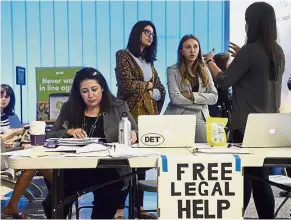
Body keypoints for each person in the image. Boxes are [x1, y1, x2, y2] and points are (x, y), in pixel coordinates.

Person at [204, 2, 285, 219]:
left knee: (253, 179)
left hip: (246, 126)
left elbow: (224, 81)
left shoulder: (250, 51)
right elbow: (257, 77)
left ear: (253, 23)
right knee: (255, 176)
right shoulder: (277, 52)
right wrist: (241, 57)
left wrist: (210, 62)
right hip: (268, 125)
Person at [42, 67, 138, 219]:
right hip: (77, 168)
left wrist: (134, 134)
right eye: (85, 91)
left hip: (110, 169)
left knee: (105, 203)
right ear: (78, 92)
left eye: (94, 89)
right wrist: (68, 132)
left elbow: (136, 130)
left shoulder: (118, 106)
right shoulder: (69, 108)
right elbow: (50, 135)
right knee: (52, 204)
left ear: (102, 88)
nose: (91, 95)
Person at [115, 20, 166, 218]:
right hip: (129, 112)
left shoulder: (149, 61)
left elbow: (160, 89)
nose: (150, 36)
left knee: (143, 163)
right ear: (137, 33)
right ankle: (120, 207)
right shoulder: (123, 55)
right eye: (146, 32)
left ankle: (138, 206)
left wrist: (151, 91)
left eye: (152, 34)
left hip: (149, 114)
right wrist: (148, 87)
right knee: (126, 162)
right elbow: (126, 85)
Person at [1, 84, 53, 219]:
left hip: (12, 151)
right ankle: (68, 191)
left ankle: (63, 192)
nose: (4, 99)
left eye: (7, 96)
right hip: (3, 155)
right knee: (34, 164)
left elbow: (18, 135)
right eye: (1, 95)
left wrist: (15, 135)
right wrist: (8, 136)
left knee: (40, 164)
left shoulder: (11, 116)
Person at [164, 34, 218, 143]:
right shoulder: (172, 70)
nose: (192, 50)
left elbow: (214, 97)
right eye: (188, 47)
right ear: (181, 51)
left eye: (195, 46)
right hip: (178, 116)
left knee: (203, 153)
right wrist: (201, 104)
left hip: (201, 118)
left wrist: (192, 95)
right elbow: (175, 98)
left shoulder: (205, 70)